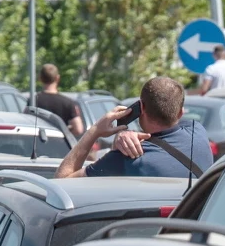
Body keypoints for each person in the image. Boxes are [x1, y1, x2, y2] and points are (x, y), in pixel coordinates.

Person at [54, 76, 212, 180]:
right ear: (181, 112)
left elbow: (63, 181)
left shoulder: (127, 158)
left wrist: (95, 131)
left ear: (141, 107)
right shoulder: (197, 132)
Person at [34, 64, 84, 137]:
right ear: (57, 78)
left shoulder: (34, 100)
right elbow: (78, 129)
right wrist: (64, 131)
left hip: (37, 143)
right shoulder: (68, 102)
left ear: (40, 78)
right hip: (60, 145)